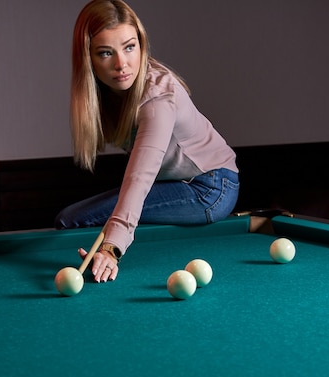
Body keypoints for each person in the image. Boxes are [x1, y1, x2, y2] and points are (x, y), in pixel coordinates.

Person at [55, 0, 239, 283]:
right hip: (180, 183)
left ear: (141, 44)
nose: (122, 64)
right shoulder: (110, 94)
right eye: (106, 52)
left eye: (130, 47)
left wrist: (111, 248)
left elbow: (141, 177)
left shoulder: (157, 98)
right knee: (69, 217)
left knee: (71, 220)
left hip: (211, 188)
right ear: (88, 58)